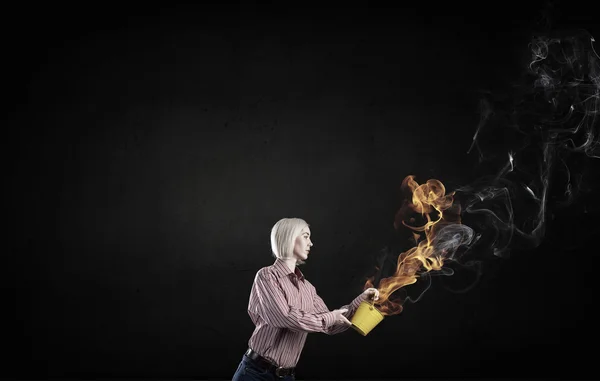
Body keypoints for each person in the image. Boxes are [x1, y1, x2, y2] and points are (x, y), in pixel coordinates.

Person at [232, 217, 379, 381]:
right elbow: (284, 317)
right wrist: (330, 318)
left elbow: (330, 325)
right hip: (255, 373)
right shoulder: (267, 276)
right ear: (289, 237)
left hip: (287, 376)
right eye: (305, 236)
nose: (311, 243)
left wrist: (360, 301)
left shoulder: (307, 288)